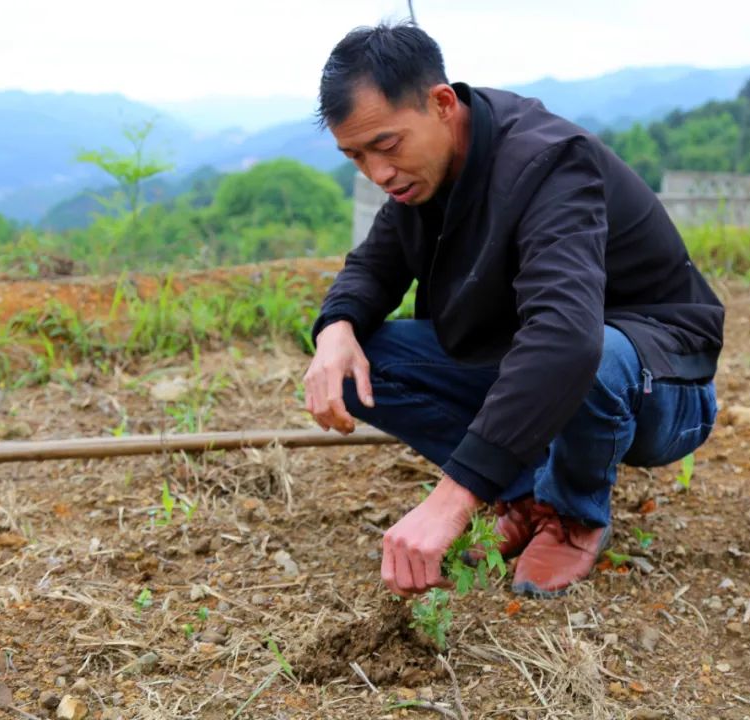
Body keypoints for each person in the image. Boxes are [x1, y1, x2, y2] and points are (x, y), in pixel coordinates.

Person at [302, 23, 724, 599]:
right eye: (355, 155)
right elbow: (373, 267)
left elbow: (567, 339)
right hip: (554, 358)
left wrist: (453, 497)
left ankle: (573, 514)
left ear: (442, 103)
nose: (377, 173)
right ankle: (528, 493)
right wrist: (335, 329)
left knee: (588, 351)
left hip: (662, 383)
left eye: (387, 145)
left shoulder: (549, 164)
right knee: (359, 361)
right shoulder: (422, 175)